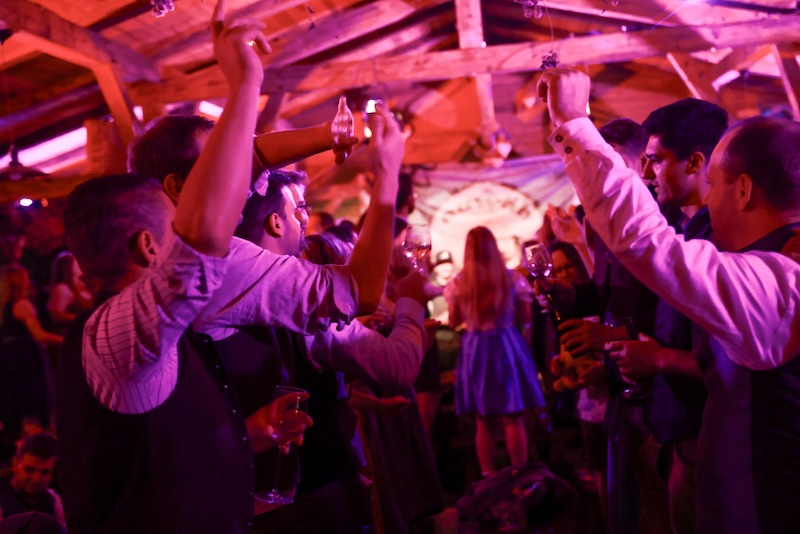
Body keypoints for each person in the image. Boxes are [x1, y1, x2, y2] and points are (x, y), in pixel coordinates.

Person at [55, 4, 309, 532]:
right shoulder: (112, 334)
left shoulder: (153, 333)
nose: (192, 227)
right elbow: (202, 243)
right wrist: (244, 83)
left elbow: (161, 451)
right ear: (150, 247)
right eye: (176, 221)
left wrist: (247, 431)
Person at [538, 68, 800, 534]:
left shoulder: (781, 282)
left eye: (716, 184)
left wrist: (574, 120)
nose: (708, 201)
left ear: (742, 190)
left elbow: (647, 243)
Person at [231, 170, 429, 532]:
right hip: (318, 491)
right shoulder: (303, 303)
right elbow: (399, 366)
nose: (306, 219)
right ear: (275, 222)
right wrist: (410, 302)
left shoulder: (215, 294)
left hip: (241, 500)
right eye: (299, 209)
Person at [447, 226, 545, 476]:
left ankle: (488, 477)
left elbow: (454, 321)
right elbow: (525, 317)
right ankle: (520, 476)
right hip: (505, 342)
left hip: (475, 347)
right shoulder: (511, 278)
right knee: (513, 415)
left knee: (484, 419)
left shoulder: (459, 283)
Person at [0, 266, 61, 436]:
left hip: (8, 356)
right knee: (33, 402)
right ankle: (39, 441)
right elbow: (39, 335)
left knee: (16, 401)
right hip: (25, 357)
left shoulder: (3, 306)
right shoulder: (22, 304)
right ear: (20, 281)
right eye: (26, 277)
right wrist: (66, 340)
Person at [0, 434, 63, 524]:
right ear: (15, 464)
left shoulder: (53, 501)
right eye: (30, 470)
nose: (36, 479)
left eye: (45, 472)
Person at [46, 252, 92, 335]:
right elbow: (56, 315)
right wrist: (83, 318)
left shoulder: (81, 284)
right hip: (68, 334)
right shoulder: (63, 288)